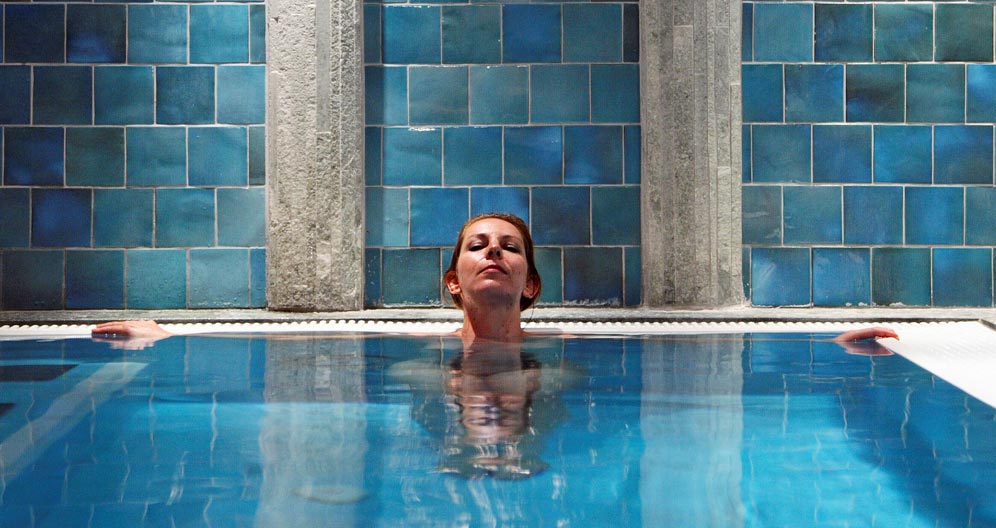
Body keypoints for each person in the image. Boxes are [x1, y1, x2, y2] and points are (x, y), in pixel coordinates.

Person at [92, 213, 897, 346]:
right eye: (476, 246)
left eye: (508, 248)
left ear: (532, 283)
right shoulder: (420, 347)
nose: (492, 254)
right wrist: (176, 333)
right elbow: (302, 340)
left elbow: (694, 347)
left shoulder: (568, 346)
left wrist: (826, 343)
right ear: (451, 280)